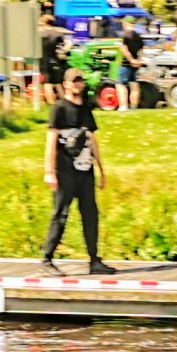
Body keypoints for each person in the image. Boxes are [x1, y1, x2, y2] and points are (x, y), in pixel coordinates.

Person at [38, 72, 116, 277]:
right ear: (65, 84)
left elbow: (91, 139)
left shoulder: (86, 109)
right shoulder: (59, 109)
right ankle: (47, 258)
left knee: (90, 214)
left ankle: (94, 260)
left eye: (80, 81)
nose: (77, 85)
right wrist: (49, 171)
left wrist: (101, 169)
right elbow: (51, 141)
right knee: (60, 214)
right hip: (65, 171)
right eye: (74, 81)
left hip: (85, 170)